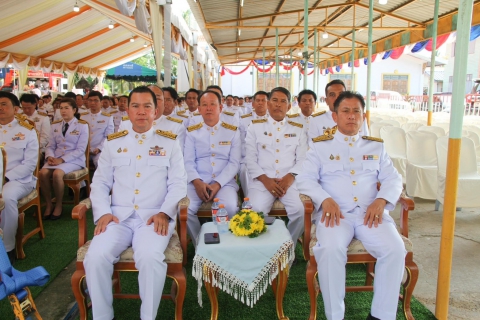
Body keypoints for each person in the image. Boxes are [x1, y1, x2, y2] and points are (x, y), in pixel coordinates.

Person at [296, 91, 405, 320]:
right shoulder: (320, 147)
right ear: (335, 117)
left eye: (357, 111)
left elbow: (393, 179)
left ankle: (381, 316)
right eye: (345, 111)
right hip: (336, 216)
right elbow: (304, 179)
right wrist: (324, 199)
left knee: (395, 249)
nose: (351, 116)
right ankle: (336, 316)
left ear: (363, 117)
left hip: (370, 215)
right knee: (330, 250)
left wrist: (381, 200)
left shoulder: (376, 147)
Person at [83, 86, 187, 320]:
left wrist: (165, 212)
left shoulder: (169, 142)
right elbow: (99, 183)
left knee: (150, 258)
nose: (141, 111)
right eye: (135, 106)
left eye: (147, 106)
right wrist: (102, 213)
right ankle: (102, 316)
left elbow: (179, 183)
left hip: (153, 218)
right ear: (127, 111)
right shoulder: (113, 142)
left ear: (156, 110)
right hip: (118, 217)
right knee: (95, 257)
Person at [245, 87, 307, 246]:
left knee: (301, 211)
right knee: (255, 211)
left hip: (289, 181)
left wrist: (290, 176)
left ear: (289, 106)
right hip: (262, 180)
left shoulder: (298, 129)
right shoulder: (255, 127)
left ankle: (288, 246)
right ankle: (264, 246)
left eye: (283, 101)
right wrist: (266, 180)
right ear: (268, 103)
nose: (278, 105)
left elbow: (303, 159)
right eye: (274, 100)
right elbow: (250, 159)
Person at [184, 90, 241, 247]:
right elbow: (187, 161)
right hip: (197, 181)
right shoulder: (191, 132)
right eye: (204, 105)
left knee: (229, 207)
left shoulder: (232, 131)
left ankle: (225, 243)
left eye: (212, 104)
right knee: (184, 209)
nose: (208, 108)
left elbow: (234, 163)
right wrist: (197, 182)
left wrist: (217, 184)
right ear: (199, 109)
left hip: (224, 182)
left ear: (220, 107)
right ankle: (199, 243)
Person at [0, 92, 39, 263]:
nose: (0, 108)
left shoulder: (27, 130)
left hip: (18, 180)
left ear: (16, 109)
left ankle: (7, 248)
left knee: (7, 198)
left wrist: (5, 178)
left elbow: (30, 164)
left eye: (4, 104)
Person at [39, 98, 89, 220]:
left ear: (74, 110)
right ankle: (49, 204)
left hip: (74, 160)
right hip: (55, 158)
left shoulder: (82, 126)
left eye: (66, 108)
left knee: (57, 174)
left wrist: (62, 160)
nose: (63, 111)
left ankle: (59, 204)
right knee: (43, 173)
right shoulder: (55, 125)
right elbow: (50, 145)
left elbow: (80, 149)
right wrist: (50, 156)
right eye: (61, 108)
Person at [119, 86, 186, 151]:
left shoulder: (176, 126)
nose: (153, 102)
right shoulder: (126, 123)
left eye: (157, 98)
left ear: (164, 102)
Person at [308, 79, 369, 144]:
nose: (337, 98)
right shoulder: (316, 120)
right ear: (326, 101)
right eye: (332, 95)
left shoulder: (359, 117)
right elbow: (313, 147)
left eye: (341, 94)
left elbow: (366, 144)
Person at [238, 91, 269, 196]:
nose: (260, 103)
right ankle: (248, 202)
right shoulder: (244, 120)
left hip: (267, 157)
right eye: (258, 101)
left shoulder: (273, 120)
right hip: (247, 157)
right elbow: (240, 142)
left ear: (268, 103)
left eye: (263, 101)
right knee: (244, 171)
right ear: (253, 104)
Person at [81, 91, 114, 167]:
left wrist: (99, 148)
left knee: (100, 164)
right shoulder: (83, 116)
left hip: (100, 150)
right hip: (84, 150)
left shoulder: (107, 117)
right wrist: (85, 148)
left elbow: (108, 136)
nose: (93, 103)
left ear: (101, 102)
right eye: (90, 100)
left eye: (96, 100)